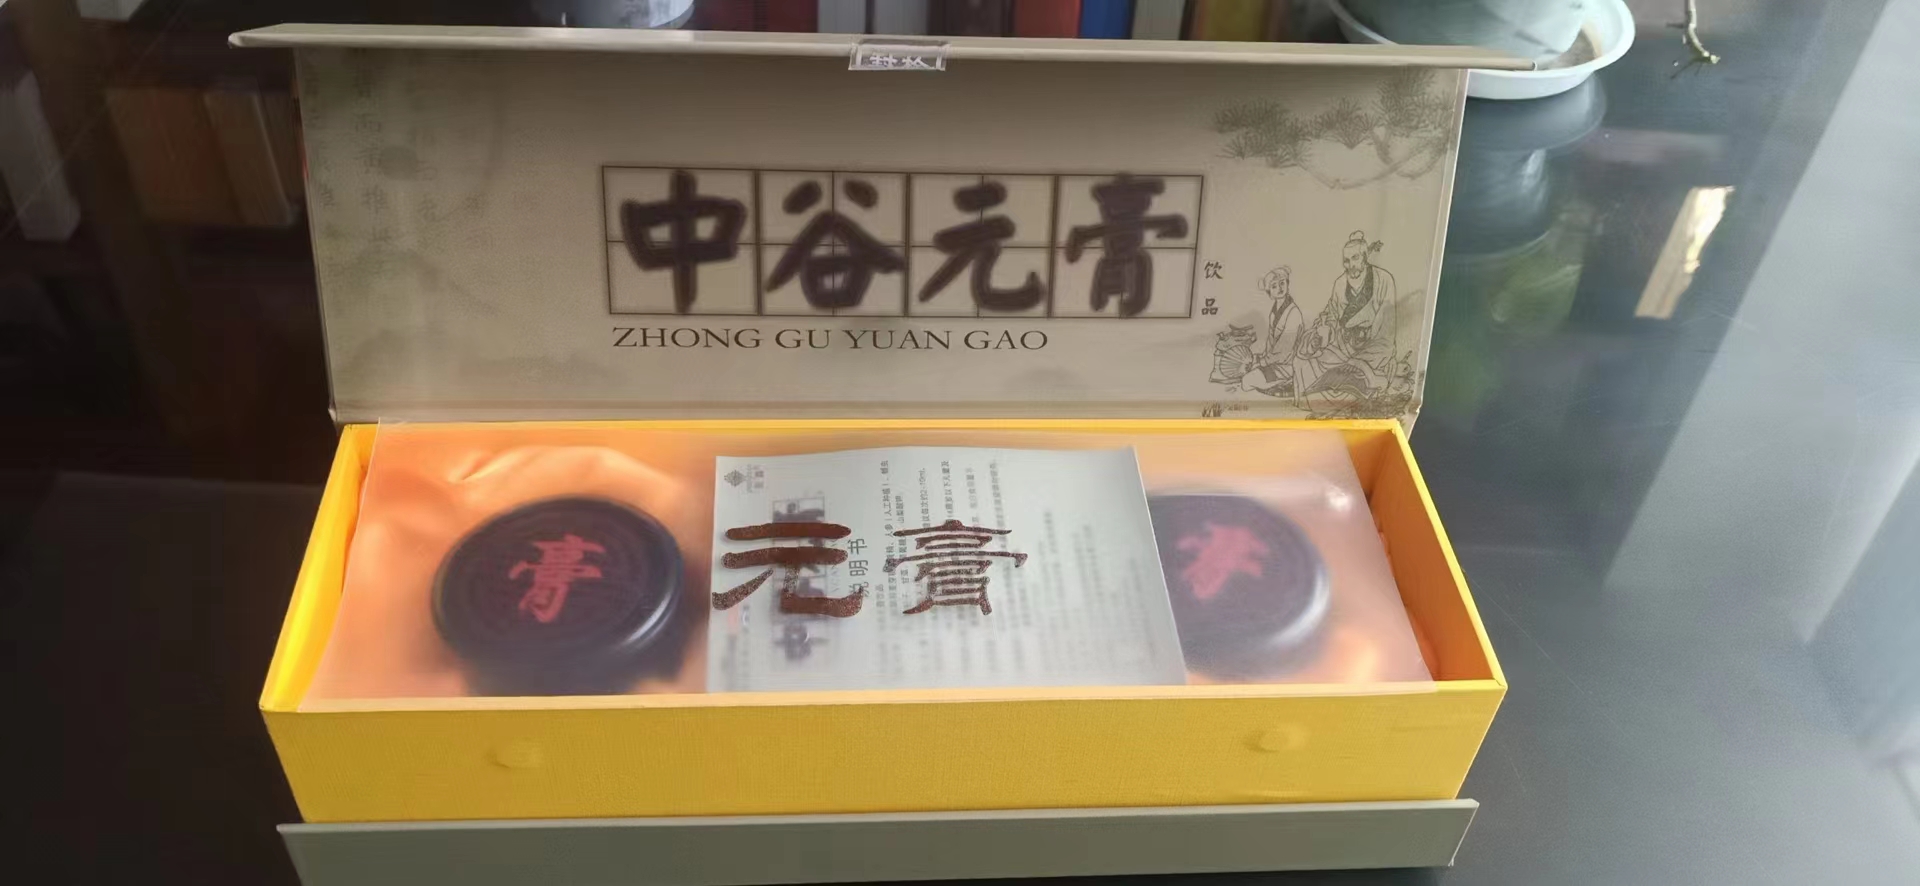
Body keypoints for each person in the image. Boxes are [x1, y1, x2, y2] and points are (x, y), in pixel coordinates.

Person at [1305, 231, 1398, 394]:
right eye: (1346, 261)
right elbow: (1332, 314)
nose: (1350, 265)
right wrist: (1326, 328)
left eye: (1355, 258)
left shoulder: (1384, 279)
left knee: (1354, 369)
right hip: (1344, 344)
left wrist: (1366, 353)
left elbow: (1386, 328)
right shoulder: (1340, 283)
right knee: (1313, 362)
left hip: (1374, 344)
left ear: (1365, 257)